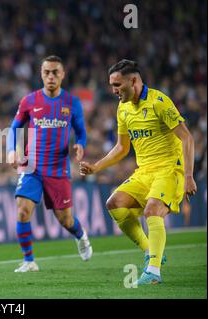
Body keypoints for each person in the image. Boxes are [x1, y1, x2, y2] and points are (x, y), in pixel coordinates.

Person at [79, 59, 197, 285]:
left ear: (133, 81)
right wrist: (96, 166)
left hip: (169, 169)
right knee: (114, 203)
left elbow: (187, 137)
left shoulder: (159, 102)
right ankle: (150, 251)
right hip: (144, 172)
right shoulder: (123, 108)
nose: (113, 90)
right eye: (111, 85)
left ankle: (153, 272)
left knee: (153, 210)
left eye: (117, 85)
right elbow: (122, 148)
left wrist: (189, 176)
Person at [7, 55, 93, 273]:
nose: (51, 76)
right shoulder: (29, 101)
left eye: (55, 72)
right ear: (41, 74)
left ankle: (81, 235)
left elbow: (81, 132)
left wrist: (80, 145)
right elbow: (14, 128)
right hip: (32, 167)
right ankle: (29, 261)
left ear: (63, 74)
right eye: (47, 72)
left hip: (57, 169)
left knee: (65, 219)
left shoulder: (72, 103)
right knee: (22, 211)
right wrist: (12, 150)